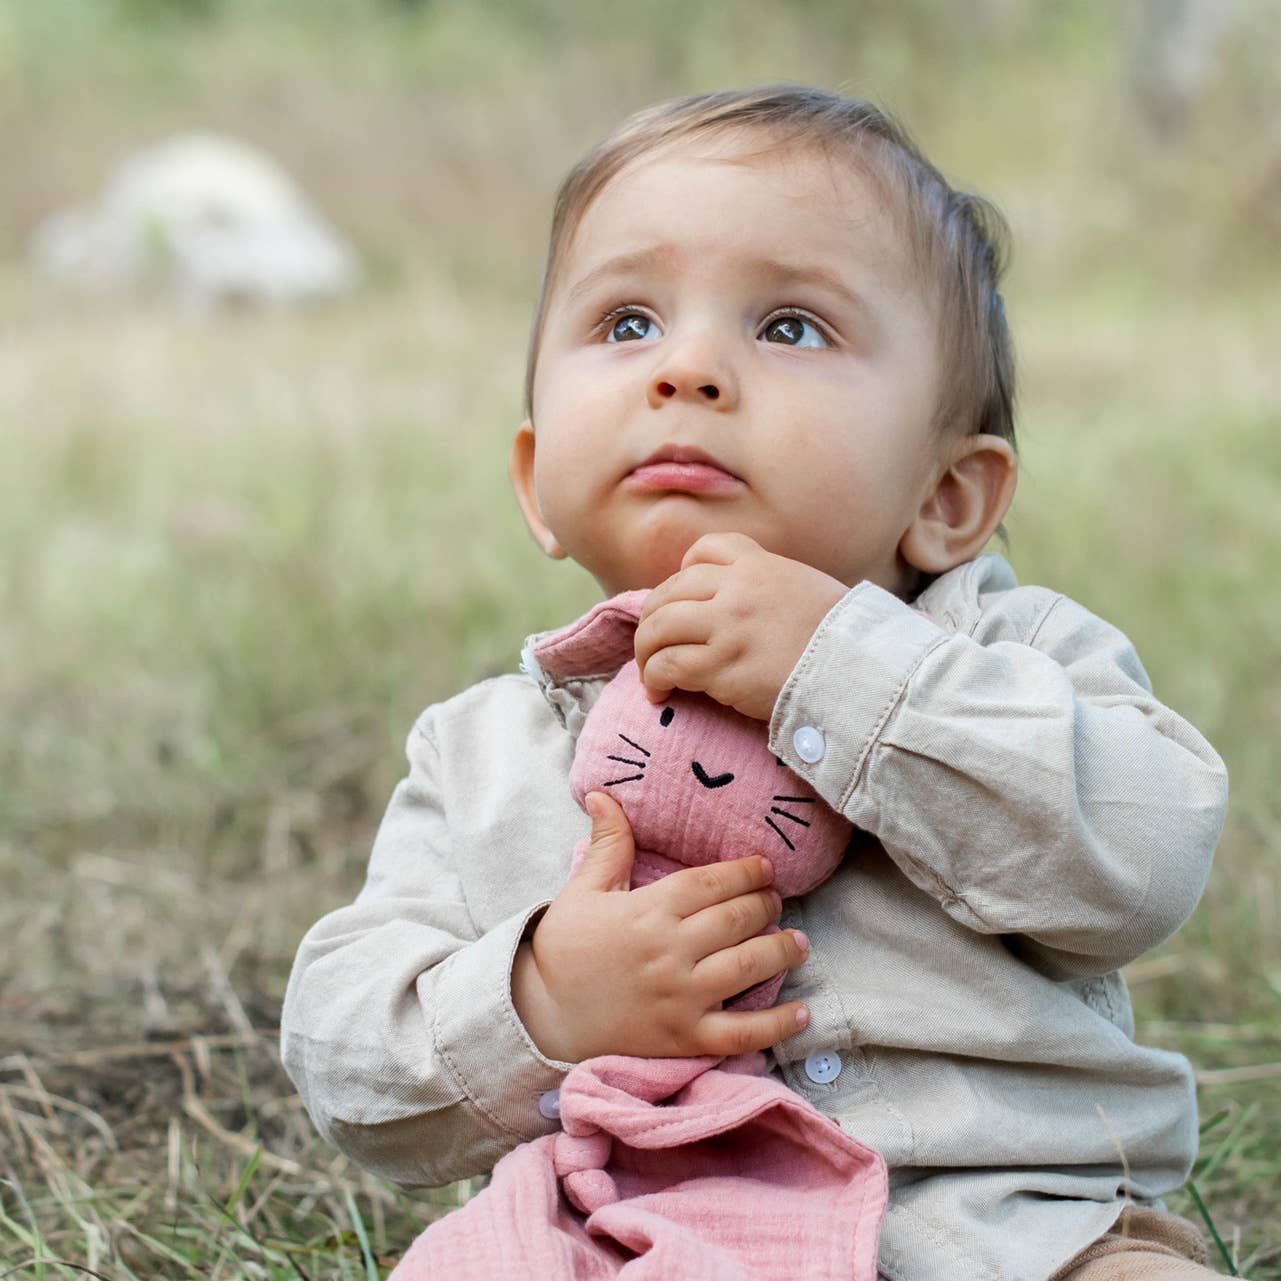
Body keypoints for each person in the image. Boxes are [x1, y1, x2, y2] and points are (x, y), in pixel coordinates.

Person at [280, 86, 1229, 1280]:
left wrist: (840, 668)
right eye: (627, 323)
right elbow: (344, 1050)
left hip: (1009, 1228)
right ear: (535, 483)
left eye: (789, 327)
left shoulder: (1023, 661)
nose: (687, 368)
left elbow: (1141, 858)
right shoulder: (482, 752)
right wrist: (541, 1001)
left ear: (947, 499)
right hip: (621, 1226)